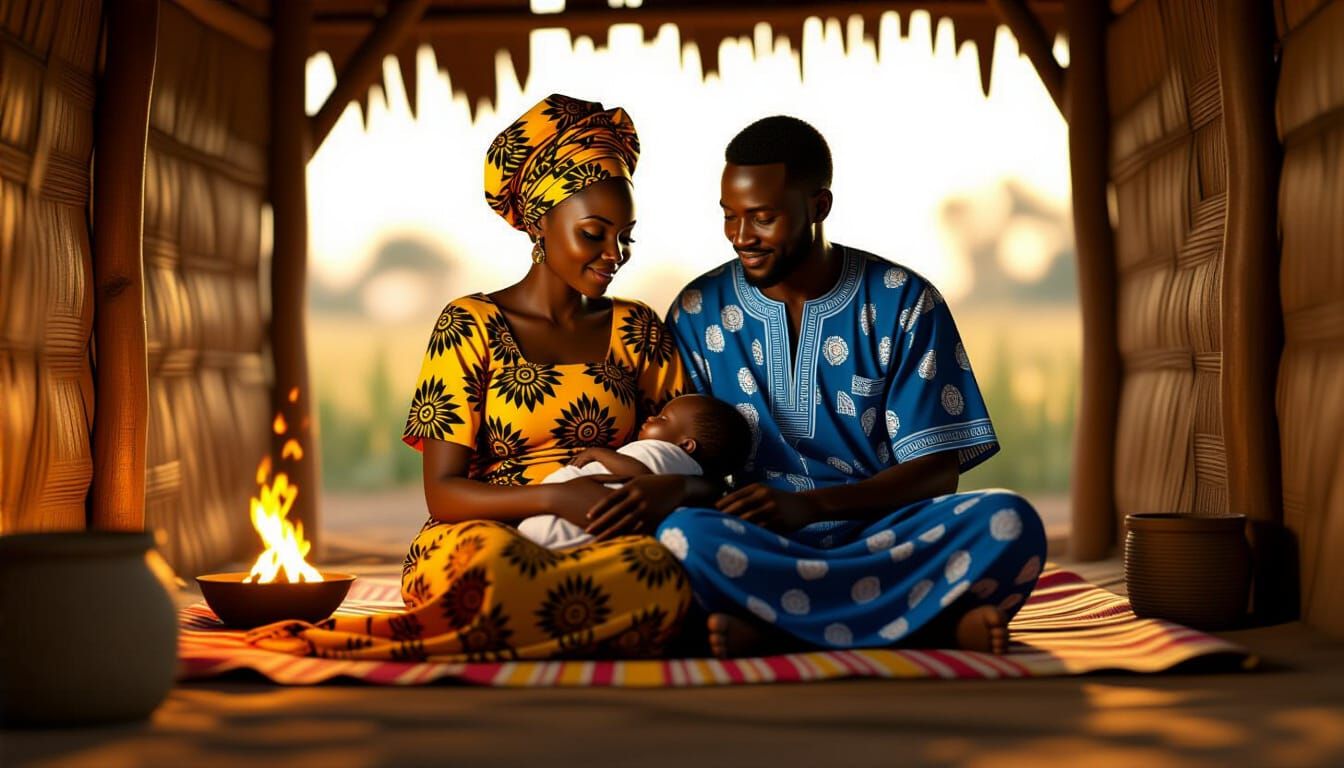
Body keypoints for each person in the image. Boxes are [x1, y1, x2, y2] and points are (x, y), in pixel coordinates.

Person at [248, 94, 692, 662]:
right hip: (483, 534)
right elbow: (444, 494)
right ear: (540, 221)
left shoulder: (637, 327)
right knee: (493, 571)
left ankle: (515, 625)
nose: (615, 253)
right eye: (595, 233)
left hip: (607, 533)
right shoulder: (470, 324)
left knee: (661, 568)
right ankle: (570, 619)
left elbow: (690, 453)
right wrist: (555, 501)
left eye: (625, 236)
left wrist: (656, 491)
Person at [586, 115, 1047, 658]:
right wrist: (682, 492)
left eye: (762, 218)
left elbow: (939, 471)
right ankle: (933, 628)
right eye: (729, 218)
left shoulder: (903, 301)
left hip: (888, 536)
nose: (741, 237)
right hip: (761, 541)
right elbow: (690, 462)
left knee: (1009, 520)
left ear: (819, 207)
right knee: (684, 537)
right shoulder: (695, 311)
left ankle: (775, 633)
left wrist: (812, 505)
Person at [520, 393, 753, 549]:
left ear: (686, 445)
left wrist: (597, 452)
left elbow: (637, 473)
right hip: (568, 525)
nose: (651, 417)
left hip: (566, 519)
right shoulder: (689, 473)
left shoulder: (664, 452)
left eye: (662, 418)